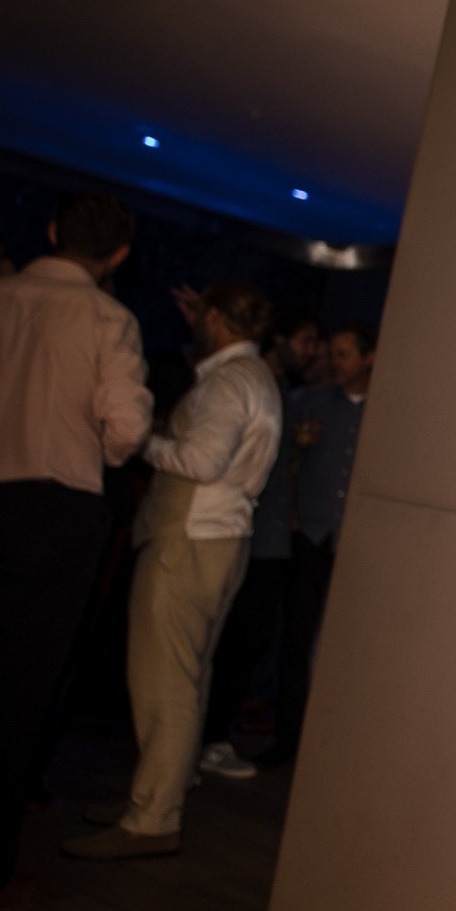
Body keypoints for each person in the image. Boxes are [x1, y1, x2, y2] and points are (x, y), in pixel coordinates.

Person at [0, 192, 152, 911]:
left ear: (50, 231)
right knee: (15, 697)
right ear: (119, 255)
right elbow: (126, 430)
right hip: (50, 509)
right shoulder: (108, 318)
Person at [63, 282, 280, 859]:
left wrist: (146, 444)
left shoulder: (230, 383)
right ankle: (160, 795)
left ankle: (153, 817)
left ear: (215, 318)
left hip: (188, 543)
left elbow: (202, 461)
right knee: (187, 678)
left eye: (201, 316)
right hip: (219, 542)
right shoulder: (249, 375)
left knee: (164, 685)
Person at [196, 309, 321, 779]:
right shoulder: (256, 384)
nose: (313, 352)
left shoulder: (282, 389)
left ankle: (208, 735)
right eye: (307, 340)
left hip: (268, 539)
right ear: (279, 337)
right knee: (233, 640)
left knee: (245, 641)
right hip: (245, 533)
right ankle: (205, 738)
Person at [261, 321, 374, 768]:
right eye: (331, 352)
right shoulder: (310, 403)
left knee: (343, 641)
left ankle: (330, 743)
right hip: (310, 535)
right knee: (296, 637)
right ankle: (287, 739)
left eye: (344, 353)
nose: (333, 360)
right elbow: (290, 463)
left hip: (356, 539)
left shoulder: (387, 407)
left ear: (368, 358)